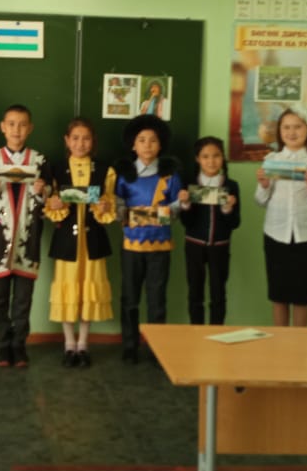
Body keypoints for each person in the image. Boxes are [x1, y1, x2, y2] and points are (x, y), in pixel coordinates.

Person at [0, 104, 47, 367]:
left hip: (28, 239)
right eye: (12, 124)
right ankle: (2, 346)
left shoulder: (40, 162)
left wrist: (42, 192)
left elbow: (49, 205)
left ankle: (19, 346)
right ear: (3, 127)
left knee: (23, 301)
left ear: (30, 128)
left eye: (23, 124)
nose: (17, 130)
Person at [254, 105, 307, 327]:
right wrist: (263, 185)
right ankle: (280, 343)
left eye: (297, 127)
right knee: (278, 296)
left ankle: (300, 344)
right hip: (275, 234)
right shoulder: (272, 159)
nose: (291, 132)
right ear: (279, 131)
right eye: (286, 127)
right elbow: (260, 201)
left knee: (302, 297)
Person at [45, 117, 117, 368]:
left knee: (89, 290)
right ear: (67, 141)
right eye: (75, 138)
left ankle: (83, 344)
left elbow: (110, 203)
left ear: (93, 142)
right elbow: (50, 203)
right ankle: (69, 344)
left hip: (93, 240)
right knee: (67, 290)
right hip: (67, 240)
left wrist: (105, 206)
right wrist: (55, 204)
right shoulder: (56, 169)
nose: (80, 143)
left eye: (86, 138)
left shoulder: (105, 170)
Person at [115, 114, 186, 363]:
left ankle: (158, 348)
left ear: (160, 145)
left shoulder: (170, 175)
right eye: (142, 140)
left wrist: (173, 209)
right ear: (133, 145)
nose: (147, 145)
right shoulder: (124, 176)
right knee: (130, 298)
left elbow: (175, 208)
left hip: (160, 245)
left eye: (153, 140)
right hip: (132, 245)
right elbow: (118, 207)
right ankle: (130, 345)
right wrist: (122, 213)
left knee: (157, 300)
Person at [179, 136, 241, 325]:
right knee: (195, 293)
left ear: (223, 157)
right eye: (205, 156)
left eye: (216, 156)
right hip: (194, 246)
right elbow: (186, 222)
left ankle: (216, 332)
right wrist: (185, 204)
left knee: (218, 294)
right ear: (197, 159)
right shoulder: (189, 184)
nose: (211, 161)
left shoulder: (231, 186)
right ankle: (196, 333)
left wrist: (228, 208)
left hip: (220, 247)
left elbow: (235, 223)